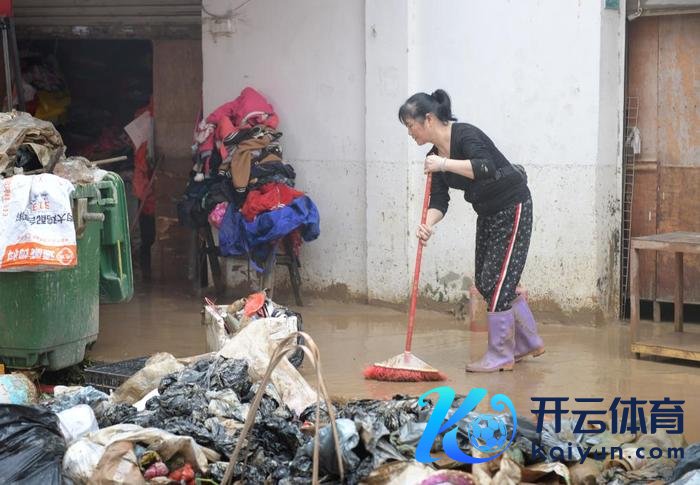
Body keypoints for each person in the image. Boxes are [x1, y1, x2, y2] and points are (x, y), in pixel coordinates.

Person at [398, 89, 544, 373]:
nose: (409, 132)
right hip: (487, 212)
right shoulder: (433, 158)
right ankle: (527, 341)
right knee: (487, 282)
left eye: (410, 125)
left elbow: (485, 167)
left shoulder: (465, 135)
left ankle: (501, 354)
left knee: (500, 282)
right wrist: (427, 224)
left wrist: (443, 163)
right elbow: (440, 201)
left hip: (512, 204)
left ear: (428, 119)